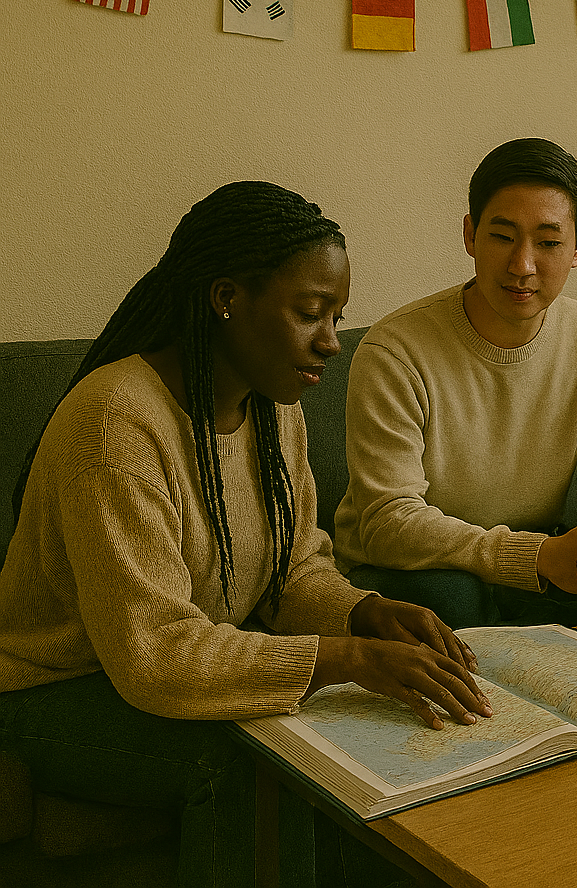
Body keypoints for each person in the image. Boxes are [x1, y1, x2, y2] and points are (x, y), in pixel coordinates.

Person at [0, 182, 491, 888]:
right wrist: (349, 657)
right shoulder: (115, 425)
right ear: (227, 297)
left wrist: (365, 612)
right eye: (310, 313)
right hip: (52, 691)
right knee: (254, 762)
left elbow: (294, 574)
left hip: (149, 674)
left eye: (337, 316)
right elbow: (155, 654)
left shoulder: (273, 406)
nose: (332, 340)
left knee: (373, 731)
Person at [333, 138, 577, 628]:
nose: (522, 266)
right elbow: (389, 523)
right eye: (502, 237)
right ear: (470, 235)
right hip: (422, 571)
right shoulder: (394, 351)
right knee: (454, 599)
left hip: (544, 565)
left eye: (549, 243)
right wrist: (534, 557)